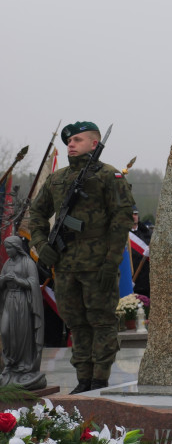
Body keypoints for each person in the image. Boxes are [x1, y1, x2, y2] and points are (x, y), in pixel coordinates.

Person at [27, 121, 134, 394]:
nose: (70, 145)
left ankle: (100, 379)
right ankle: (83, 379)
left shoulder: (109, 176)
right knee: (76, 323)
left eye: (77, 140)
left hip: (99, 265)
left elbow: (121, 221)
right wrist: (41, 244)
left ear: (94, 144)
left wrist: (111, 263)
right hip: (65, 266)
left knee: (101, 321)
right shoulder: (57, 178)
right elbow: (37, 214)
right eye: (68, 141)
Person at [0, 235, 46, 389]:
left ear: (17, 247)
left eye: (9, 248)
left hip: (23, 302)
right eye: (6, 248)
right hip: (9, 301)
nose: (7, 251)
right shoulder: (7, 263)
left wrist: (18, 280)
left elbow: (33, 283)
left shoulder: (28, 263)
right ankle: (9, 364)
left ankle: (24, 366)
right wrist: (4, 279)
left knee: (21, 334)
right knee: (5, 332)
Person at [129, 205, 152, 298]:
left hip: (147, 280)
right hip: (131, 279)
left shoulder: (148, 233)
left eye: (135, 214)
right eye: (131, 214)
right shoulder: (123, 235)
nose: (134, 216)